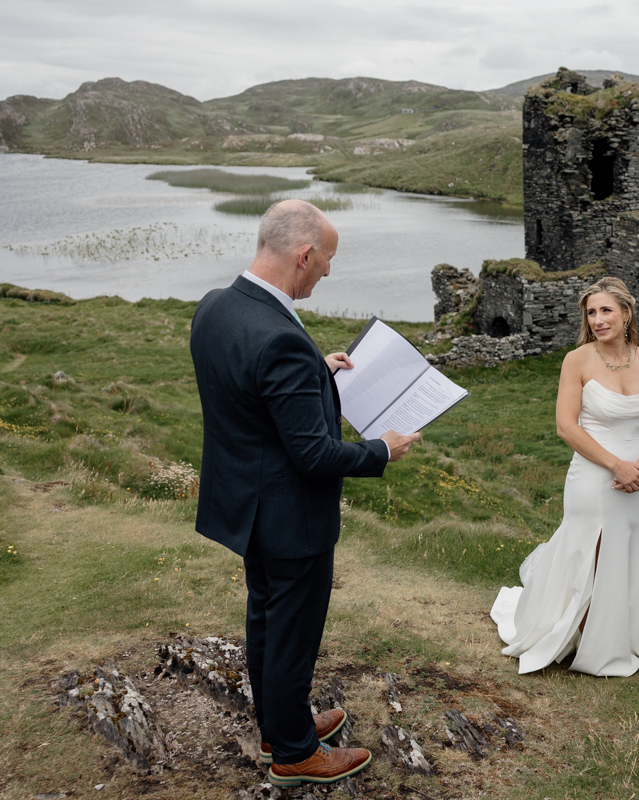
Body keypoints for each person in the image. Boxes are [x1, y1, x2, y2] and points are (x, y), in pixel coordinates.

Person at [189, 199, 419, 787]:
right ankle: (293, 753)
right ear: (304, 254)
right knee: (291, 632)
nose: (328, 272)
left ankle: (279, 726)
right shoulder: (277, 338)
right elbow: (314, 454)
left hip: (245, 505)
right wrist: (381, 450)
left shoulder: (219, 306)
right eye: (328, 260)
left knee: (267, 621)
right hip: (290, 517)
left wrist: (315, 370)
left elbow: (250, 384)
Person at [490, 276, 639, 676]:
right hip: (594, 476)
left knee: (627, 547)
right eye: (591, 312)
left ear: (626, 313)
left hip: (636, 478)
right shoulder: (577, 360)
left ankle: (626, 636)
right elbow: (566, 427)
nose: (597, 319)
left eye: (606, 310)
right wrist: (616, 466)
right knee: (590, 551)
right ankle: (583, 636)